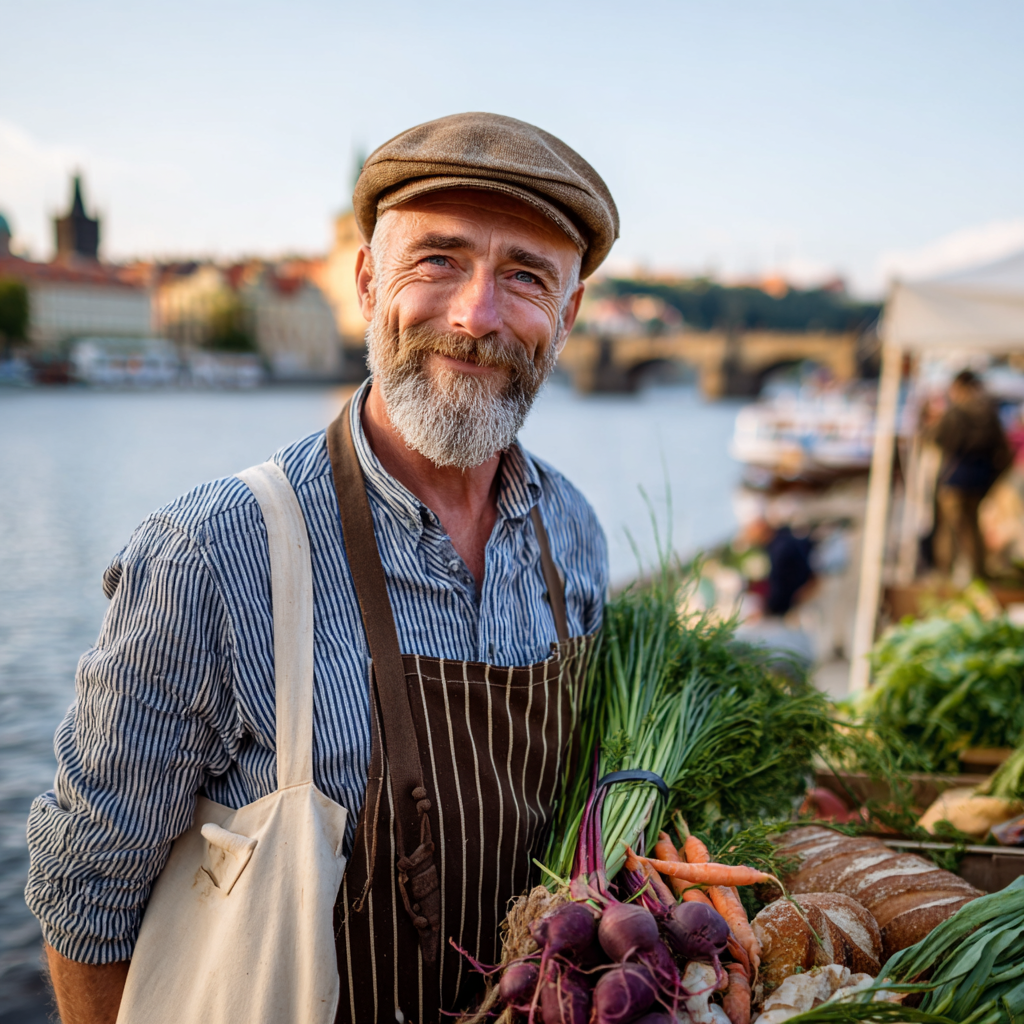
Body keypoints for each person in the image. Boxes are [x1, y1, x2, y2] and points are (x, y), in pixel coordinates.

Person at [26, 113, 617, 1024]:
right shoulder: (214, 554)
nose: (476, 316)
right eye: (439, 260)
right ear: (368, 280)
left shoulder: (571, 531)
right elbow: (87, 896)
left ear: (567, 317)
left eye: (526, 276)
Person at [933, 369, 1011, 580]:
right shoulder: (989, 414)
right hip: (979, 481)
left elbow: (937, 439)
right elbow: (1003, 451)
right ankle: (979, 576)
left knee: (950, 530)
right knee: (972, 529)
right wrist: (991, 478)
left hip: (954, 479)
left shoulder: (955, 412)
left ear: (959, 387)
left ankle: (946, 578)